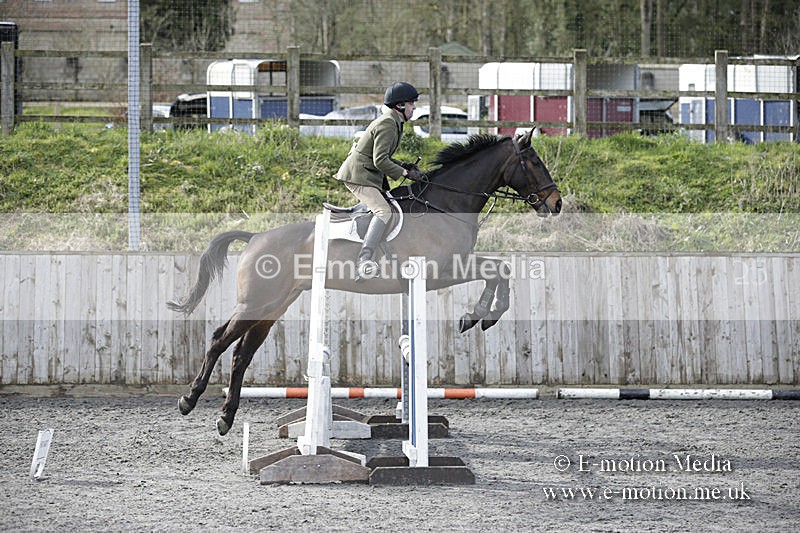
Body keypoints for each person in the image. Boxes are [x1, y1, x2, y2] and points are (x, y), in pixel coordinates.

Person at [334, 81, 423, 280]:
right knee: (383, 211)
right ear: (400, 105)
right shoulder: (388, 123)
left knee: (389, 205)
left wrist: (404, 165)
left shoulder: (394, 121)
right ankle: (364, 261)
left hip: (369, 173)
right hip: (359, 175)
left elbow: (382, 156)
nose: (414, 108)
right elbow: (380, 160)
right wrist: (405, 173)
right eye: (411, 103)